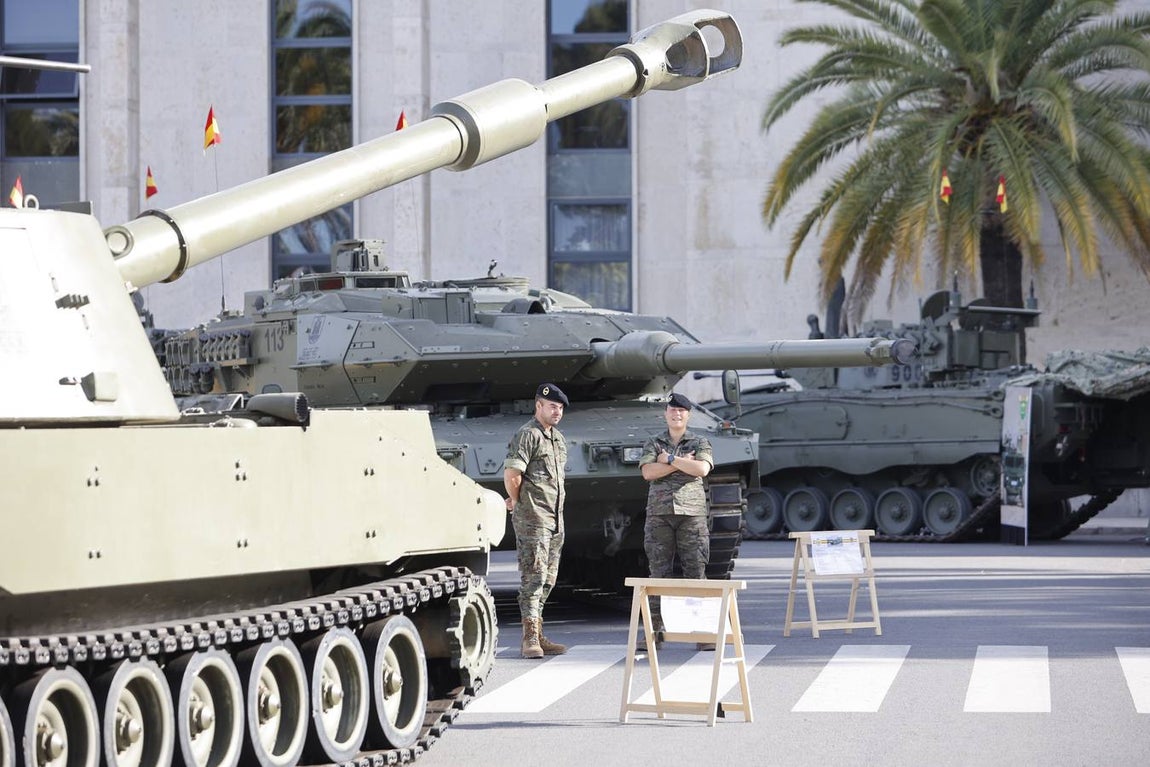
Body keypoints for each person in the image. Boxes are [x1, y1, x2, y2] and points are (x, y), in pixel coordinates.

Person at [638, 391, 714, 649]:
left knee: (696, 573)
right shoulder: (653, 442)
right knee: (658, 575)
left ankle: (702, 632)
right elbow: (648, 472)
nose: (676, 414)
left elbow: (701, 469)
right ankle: (654, 632)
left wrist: (669, 460)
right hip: (659, 515)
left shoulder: (700, 441)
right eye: (672, 410)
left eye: (681, 410)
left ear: (688, 415)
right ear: (666, 414)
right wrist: (682, 463)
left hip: (691, 516)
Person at [503, 383, 570, 659]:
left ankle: (538, 631)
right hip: (533, 518)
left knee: (548, 579)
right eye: (552, 406)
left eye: (560, 408)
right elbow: (512, 474)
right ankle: (529, 637)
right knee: (534, 576)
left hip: (555, 520)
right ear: (538, 405)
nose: (557, 411)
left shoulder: (557, 439)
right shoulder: (528, 435)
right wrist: (518, 501)